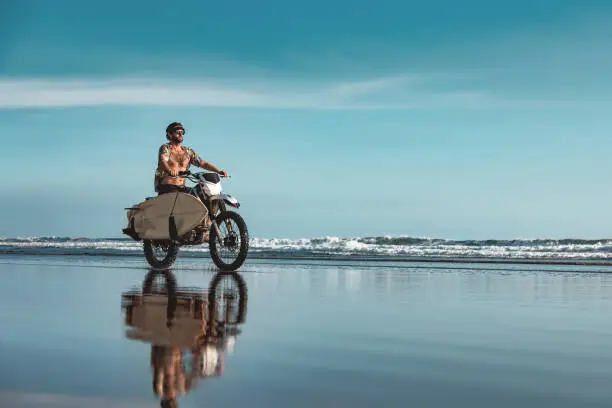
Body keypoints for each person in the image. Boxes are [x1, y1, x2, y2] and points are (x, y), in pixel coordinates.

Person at [154, 122, 228, 195]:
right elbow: (163, 161)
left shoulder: (187, 151)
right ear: (170, 134)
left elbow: (203, 163)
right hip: (168, 187)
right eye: (177, 132)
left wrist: (218, 171)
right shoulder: (166, 148)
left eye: (182, 132)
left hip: (182, 187)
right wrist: (170, 170)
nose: (180, 134)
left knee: (201, 193)